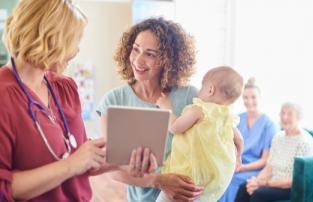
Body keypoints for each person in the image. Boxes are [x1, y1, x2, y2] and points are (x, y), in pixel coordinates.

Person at [0, 0, 153, 201]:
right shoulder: (4, 97)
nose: (76, 51)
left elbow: (81, 159)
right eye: (74, 41)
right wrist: (71, 165)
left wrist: (124, 159)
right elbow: (4, 188)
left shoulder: (64, 88)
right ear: (50, 39)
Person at [96, 17, 204, 201]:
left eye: (150, 54)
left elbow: (214, 132)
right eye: (136, 49)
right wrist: (159, 181)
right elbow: (112, 168)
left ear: (168, 60)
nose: (138, 60)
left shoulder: (189, 97)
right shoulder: (114, 100)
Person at [155, 66, 244, 202]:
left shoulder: (199, 110)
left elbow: (175, 127)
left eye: (202, 86)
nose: (198, 91)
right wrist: (238, 157)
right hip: (208, 181)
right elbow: (240, 140)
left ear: (210, 90)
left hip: (186, 174)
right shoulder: (227, 117)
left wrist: (167, 108)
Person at [235, 102, 313, 202]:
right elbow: (269, 166)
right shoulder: (278, 137)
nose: (285, 117)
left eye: (289, 114)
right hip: (272, 181)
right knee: (244, 188)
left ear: (299, 118)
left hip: (291, 187)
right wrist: (257, 181)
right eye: (282, 113)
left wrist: (265, 183)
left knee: (258, 195)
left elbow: (295, 180)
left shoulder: (305, 142)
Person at [219, 77, 279, 202]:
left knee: (232, 181)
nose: (249, 101)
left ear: (260, 98)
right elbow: (228, 145)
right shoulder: (237, 119)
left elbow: (265, 160)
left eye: (253, 97)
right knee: (217, 176)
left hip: (255, 168)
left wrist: (242, 168)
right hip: (235, 164)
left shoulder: (269, 124)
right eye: (246, 97)